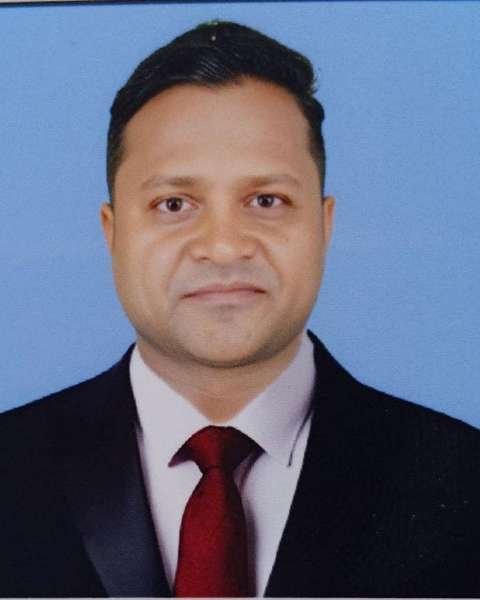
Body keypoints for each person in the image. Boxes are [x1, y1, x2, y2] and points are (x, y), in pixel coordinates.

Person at [1, 20, 480, 598]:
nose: (225, 246)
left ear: (324, 225)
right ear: (113, 233)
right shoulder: (12, 467)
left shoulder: (461, 479)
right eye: (173, 203)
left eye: (266, 200)